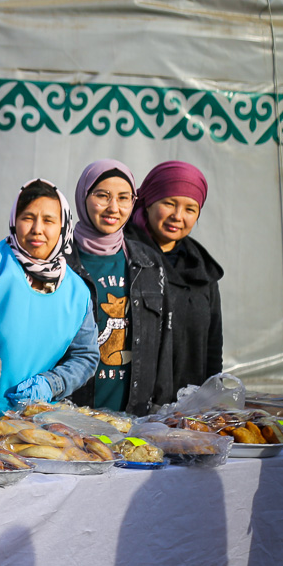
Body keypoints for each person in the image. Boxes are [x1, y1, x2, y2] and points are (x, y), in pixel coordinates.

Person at [0, 179, 97, 413]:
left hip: (34, 421)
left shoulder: (77, 292)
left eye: (49, 220)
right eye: (28, 218)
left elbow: (85, 356)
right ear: (14, 221)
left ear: (63, 226)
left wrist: (51, 384)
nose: (37, 229)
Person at [66, 160, 169, 414]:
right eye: (102, 196)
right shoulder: (60, 261)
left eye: (124, 198)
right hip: (70, 413)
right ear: (83, 196)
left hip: (133, 416)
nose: (114, 208)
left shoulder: (148, 261)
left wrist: (161, 408)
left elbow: (164, 343)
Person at [128, 160, 222, 397]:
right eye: (169, 203)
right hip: (126, 407)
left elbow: (212, 345)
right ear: (147, 201)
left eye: (190, 209)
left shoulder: (200, 267)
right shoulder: (122, 254)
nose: (178, 216)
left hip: (185, 409)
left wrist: (209, 398)